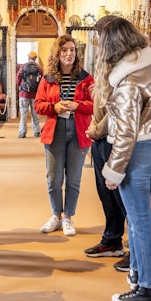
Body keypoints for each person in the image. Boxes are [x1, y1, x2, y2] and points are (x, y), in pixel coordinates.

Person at [92, 16, 151, 301]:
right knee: (139, 221)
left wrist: (114, 169)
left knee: (139, 224)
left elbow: (125, 134)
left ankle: (145, 290)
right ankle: (136, 274)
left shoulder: (127, 84)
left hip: (134, 155)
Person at [34, 35, 94, 237]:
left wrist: (79, 105)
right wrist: (54, 107)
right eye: (65, 50)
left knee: (73, 179)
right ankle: (56, 216)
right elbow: (38, 105)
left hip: (78, 131)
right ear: (57, 54)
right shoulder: (48, 77)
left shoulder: (86, 78)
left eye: (72, 50)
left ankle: (68, 217)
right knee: (53, 178)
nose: (69, 54)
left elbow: (96, 105)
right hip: (55, 130)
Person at [84, 17, 127, 259]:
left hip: (114, 140)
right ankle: (112, 240)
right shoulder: (106, 63)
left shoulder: (126, 69)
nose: (98, 42)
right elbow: (100, 101)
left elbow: (118, 108)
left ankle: (139, 248)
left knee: (123, 197)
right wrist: (93, 124)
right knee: (107, 195)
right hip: (100, 139)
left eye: (101, 36)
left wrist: (97, 129)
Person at [16, 51, 42, 138]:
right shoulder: (39, 68)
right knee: (35, 114)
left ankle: (22, 132)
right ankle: (37, 131)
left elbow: (17, 79)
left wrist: (21, 86)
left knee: (23, 113)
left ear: (28, 58)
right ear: (36, 58)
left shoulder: (23, 67)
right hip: (35, 95)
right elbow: (43, 81)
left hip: (24, 93)